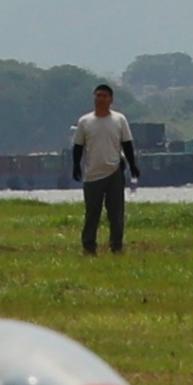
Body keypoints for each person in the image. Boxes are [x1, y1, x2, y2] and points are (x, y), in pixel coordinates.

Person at [72, 80, 137, 255]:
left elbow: (127, 144)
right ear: (94, 98)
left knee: (116, 214)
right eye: (98, 96)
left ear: (111, 99)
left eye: (104, 96)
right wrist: (76, 166)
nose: (101, 99)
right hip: (92, 175)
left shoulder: (119, 119)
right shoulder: (84, 121)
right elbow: (78, 146)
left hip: (114, 172)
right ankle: (88, 247)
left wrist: (133, 165)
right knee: (92, 213)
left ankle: (116, 246)